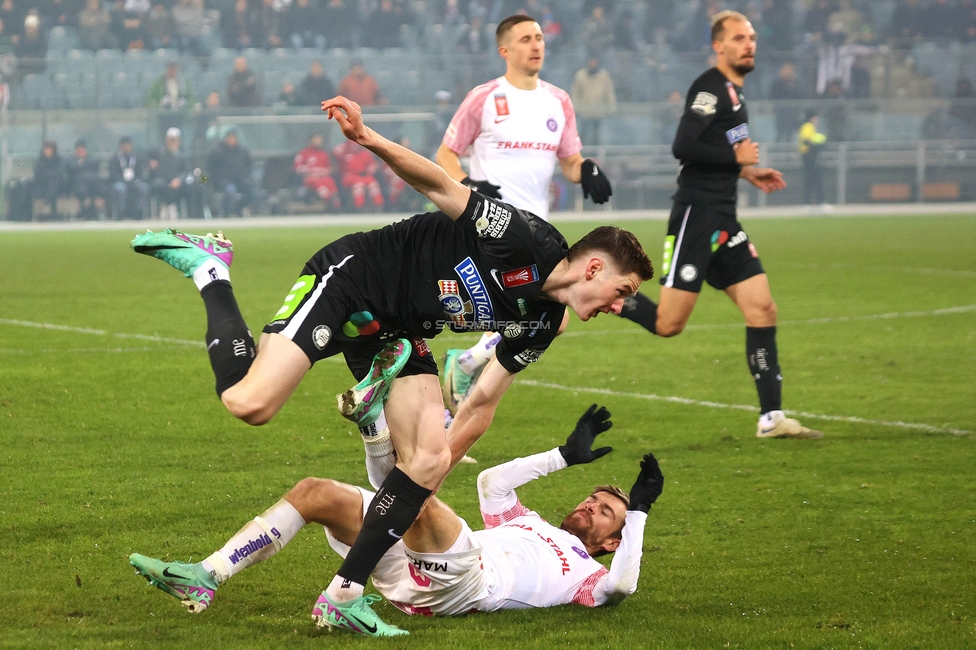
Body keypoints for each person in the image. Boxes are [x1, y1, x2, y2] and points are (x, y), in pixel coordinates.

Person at [129, 93, 653, 636]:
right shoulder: (526, 240)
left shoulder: (542, 324)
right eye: (623, 291)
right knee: (249, 402)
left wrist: (414, 489)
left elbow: (479, 406)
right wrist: (369, 138)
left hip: (402, 332)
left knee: (426, 459)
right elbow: (441, 187)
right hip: (355, 279)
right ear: (594, 267)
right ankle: (211, 269)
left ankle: (343, 594)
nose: (620, 306)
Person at [128, 405, 664, 635]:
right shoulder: (531, 523)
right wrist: (563, 458)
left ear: (611, 540)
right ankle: (207, 576)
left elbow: (623, 584)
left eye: (606, 513)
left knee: (420, 499)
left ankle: (378, 432)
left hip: (466, 584)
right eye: (595, 500)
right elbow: (490, 483)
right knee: (314, 493)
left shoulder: (588, 578)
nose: (592, 507)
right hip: (414, 563)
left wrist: (637, 510)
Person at [617, 11, 823, 440]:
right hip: (697, 215)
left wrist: (747, 172)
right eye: (738, 38)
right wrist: (736, 161)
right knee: (669, 324)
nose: (748, 44)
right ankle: (605, 296)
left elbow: (713, 149)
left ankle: (771, 418)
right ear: (719, 46)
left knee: (762, 308)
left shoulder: (736, 94)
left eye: (751, 38)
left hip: (724, 218)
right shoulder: (710, 87)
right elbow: (684, 145)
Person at [436, 15, 613, 223]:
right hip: (487, 229)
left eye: (539, 38)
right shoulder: (483, 98)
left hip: (537, 230)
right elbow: (445, 154)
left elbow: (571, 162)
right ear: (505, 51)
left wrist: (586, 169)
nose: (536, 46)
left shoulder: (560, 100)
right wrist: (467, 184)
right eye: (526, 40)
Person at [147, 127, 197, 219]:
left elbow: (186, 171)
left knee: (190, 188)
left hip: (178, 183)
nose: (172, 142)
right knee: (159, 185)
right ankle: (165, 207)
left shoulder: (182, 157)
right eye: (170, 140)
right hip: (162, 182)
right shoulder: (159, 154)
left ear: (179, 141)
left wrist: (179, 180)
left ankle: (186, 213)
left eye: (175, 140)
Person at [206, 130, 254, 218]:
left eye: (233, 137)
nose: (231, 139)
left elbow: (249, 166)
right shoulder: (217, 152)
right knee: (230, 191)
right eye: (229, 137)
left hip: (241, 180)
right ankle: (227, 213)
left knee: (253, 192)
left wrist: (245, 177)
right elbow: (212, 169)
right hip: (224, 181)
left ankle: (238, 208)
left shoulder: (243, 151)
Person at [571, 57, 617, 147]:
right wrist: (575, 108)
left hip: (599, 113)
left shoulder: (604, 76)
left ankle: (597, 156)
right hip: (584, 113)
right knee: (582, 136)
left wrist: (612, 108)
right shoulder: (580, 76)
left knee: (598, 137)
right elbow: (575, 93)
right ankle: (581, 154)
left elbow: (609, 92)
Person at [333, 137, 384, 210]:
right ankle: (359, 206)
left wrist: (370, 169)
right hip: (349, 176)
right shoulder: (344, 152)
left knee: (373, 184)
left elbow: (372, 165)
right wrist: (343, 147)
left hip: (364, 175)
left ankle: (378, 205)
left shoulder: (364, 153)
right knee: (359, 185)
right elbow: (335, 153)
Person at [293, 133, 340, 209]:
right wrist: (309, 170)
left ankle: (335, 203)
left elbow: (330, 168)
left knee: (329, 181)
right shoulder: (304, 153)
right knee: (317, 182)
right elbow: (297, 168)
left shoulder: (324, 154)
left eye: (320, 139)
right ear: (311, 140)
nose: (319, 141)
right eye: (316, 139)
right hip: (309, 179)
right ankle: (327, 198)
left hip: (323, 177)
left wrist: (323, 171)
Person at [109, 135, 149, 220]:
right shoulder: (115, 159)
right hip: (121, 181)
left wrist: (136, 180)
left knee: (144, 187)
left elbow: (140, 173)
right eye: (124, 145)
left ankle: (139, 212)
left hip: (134, 181)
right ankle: (121, 213)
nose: (126, 147)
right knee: (120, 188)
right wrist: (123, 180)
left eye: (128, 145)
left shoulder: (137, 158)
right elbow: (113, 174)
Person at [65, 139, 105, 220]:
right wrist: (82, 165)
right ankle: (86, 206)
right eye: (79, 150)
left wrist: (81, 165)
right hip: (76, 186)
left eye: (83, 150)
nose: (81, 152)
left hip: (91, 186)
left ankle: (94, 208)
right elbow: (71, 170)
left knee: (93, 181)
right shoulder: (70, 161)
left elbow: (95, 167)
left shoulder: (92, 160)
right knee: (82, 187)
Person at [29, 141, 65, 218]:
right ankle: (49, 208)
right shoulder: (40, 161)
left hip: (57, 186)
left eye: (50, 148)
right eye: (46, 149)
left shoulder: (58, 160)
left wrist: (50, 175)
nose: (48, 151)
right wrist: (50, 175)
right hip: (42, 186)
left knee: (54, 182)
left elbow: (60, 173)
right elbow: (39, 174)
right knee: (52, 182)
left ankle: (48, 205)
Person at [798, 110, 826, 206]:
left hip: (809, 156)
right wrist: (818, 142)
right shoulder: (808, 126)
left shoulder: (809, 127)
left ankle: (813, 202)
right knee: (812, 179)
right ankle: (811, 202)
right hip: (809, 156)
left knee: (813, 179)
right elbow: (806, 141)